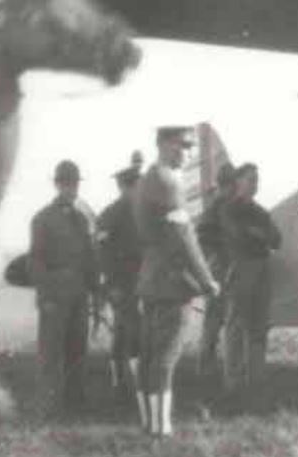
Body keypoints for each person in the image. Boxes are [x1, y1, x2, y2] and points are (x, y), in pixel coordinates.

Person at [136, 127, 222, 435]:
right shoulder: (169, 182)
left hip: (151, 280)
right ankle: (162, 430)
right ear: (162, 144)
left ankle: (149, 423)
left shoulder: (147, 179)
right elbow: (185, 238)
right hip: (174, 284)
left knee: (149, 356)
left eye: (189, 146)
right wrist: (208, 281)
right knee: (166, 356)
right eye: (182, 145)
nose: (187, 152)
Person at [28, 159, 99, 415]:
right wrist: (45, 295)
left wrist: (95, 291)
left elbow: (91, 257)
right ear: (57, 185)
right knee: (50, 352)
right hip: (55, 295)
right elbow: (36, 260)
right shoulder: (42, 219)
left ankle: (75, 403)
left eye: (75, 183)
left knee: (77, 350)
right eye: (67, 183)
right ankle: (47, 406)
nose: (72, 188)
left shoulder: (83, 218)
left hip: (80, 293)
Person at [219, 163, 282, 400]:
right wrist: (260, 235)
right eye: (251, 180)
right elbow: (239, 235)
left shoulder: (260, 212)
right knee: (235, 326)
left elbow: (277, 239)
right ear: (238, 182)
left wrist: (258, 234)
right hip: (240, 268)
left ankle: (256, 378)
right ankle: (233, 381)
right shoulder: (228, 209)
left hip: (261, 268)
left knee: (259, 325)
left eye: (257, 180)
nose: (255, 184)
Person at [96, 153, 145, 421]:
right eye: (134, 186)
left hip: (140, 282)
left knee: (124, 333)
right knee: (134, 332)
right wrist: (110, 282)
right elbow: (100, 248)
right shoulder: (113, 213)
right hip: (120, 284)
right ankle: (138, 390)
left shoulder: (142, 211)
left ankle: (120, 386)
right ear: (126, 187)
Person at [196, 163, 238, 386]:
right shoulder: (216, 210)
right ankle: (206, 369)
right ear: (226, 185)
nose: (232, 189)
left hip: (223, 269)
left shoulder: (219, 208)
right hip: (220, 271)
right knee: (215, 323)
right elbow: (204, 241)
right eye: (230, 185)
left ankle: (208, 370)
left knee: (216, 322)